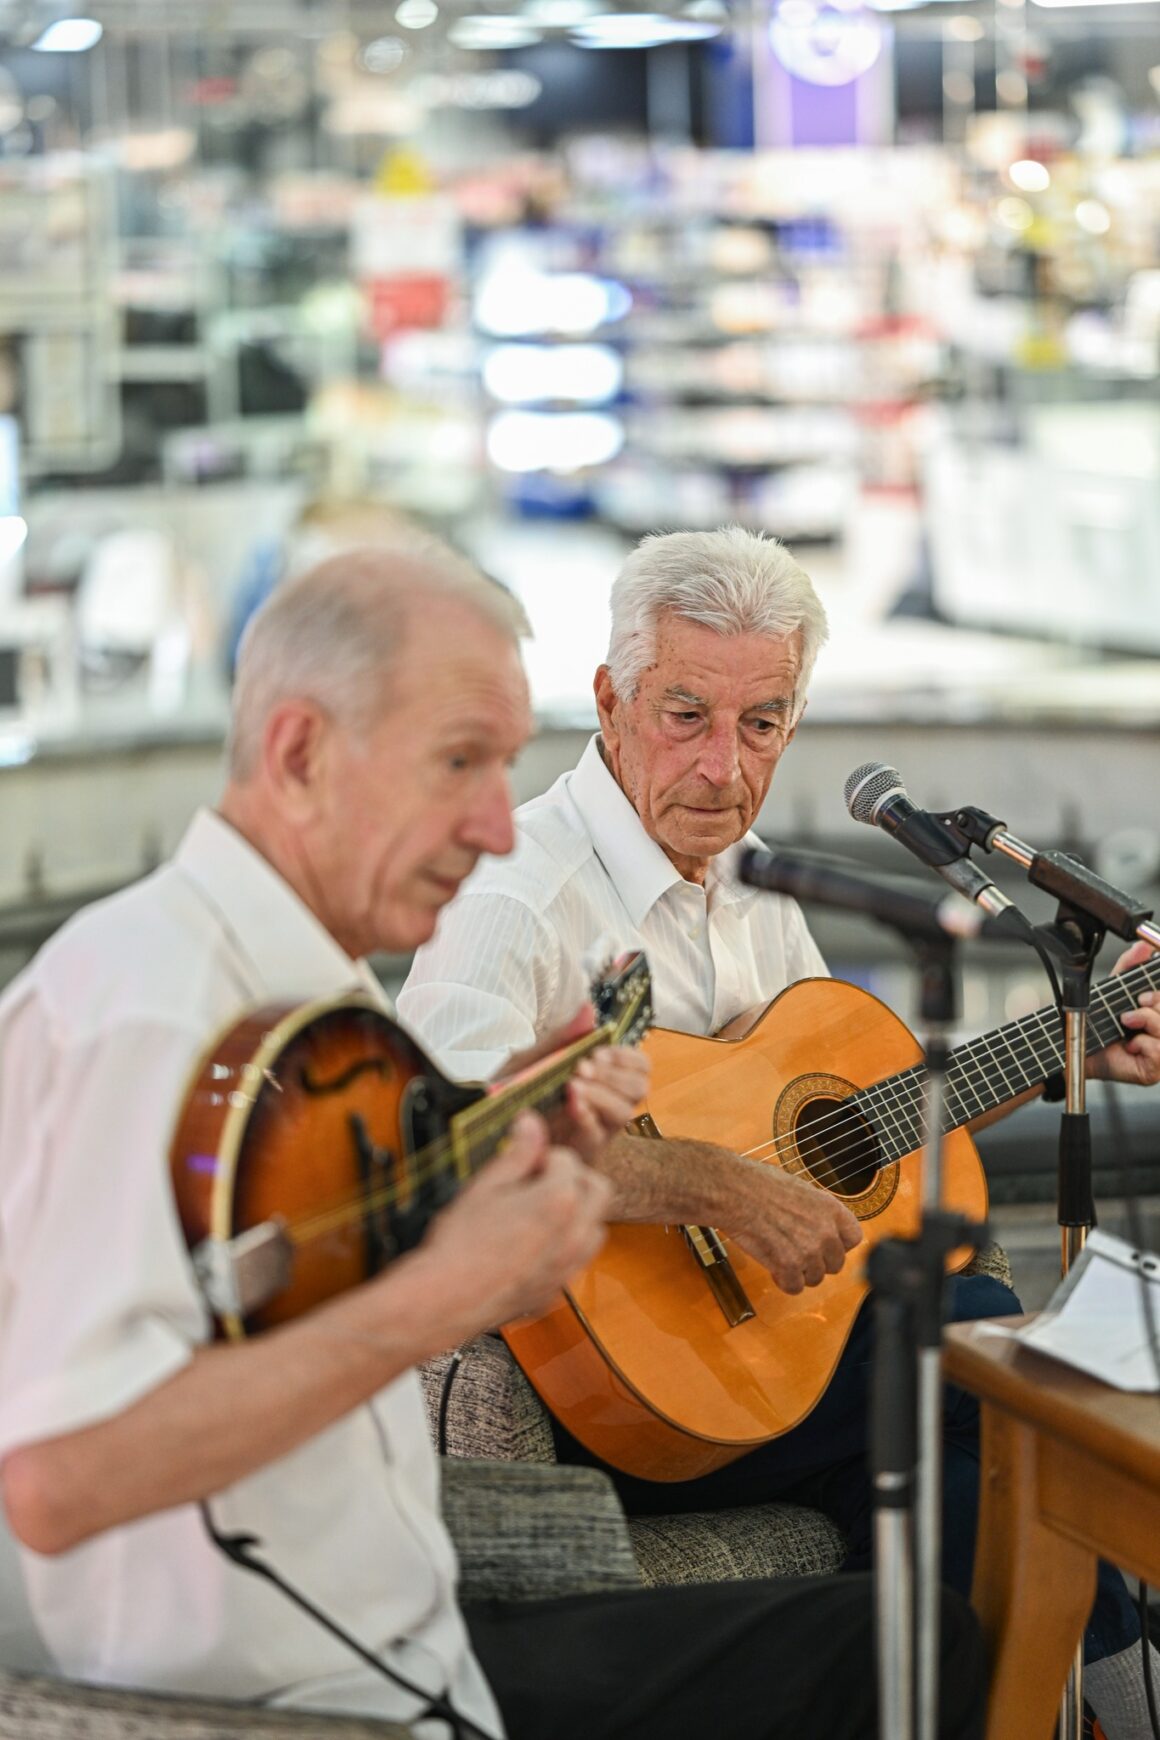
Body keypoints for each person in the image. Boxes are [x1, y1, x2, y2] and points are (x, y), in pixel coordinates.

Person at [0, 541, 985, 1740]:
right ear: (301, 751)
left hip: (408, 1630)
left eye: (501, 764)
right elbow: (55, 1483)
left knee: (911, 1628)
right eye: (456, 764)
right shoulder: (156, 1009)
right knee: (900, 1643)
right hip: (304, 1688)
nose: (491, 823)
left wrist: (526, 1147)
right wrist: (445, 1291)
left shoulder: (309, 993)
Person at [399, 525, 1160, 1740]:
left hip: (769, 1374)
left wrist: (1070, 1033)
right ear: (608, 698)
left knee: (977, 1467)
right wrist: (711, 1188)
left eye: (760, 726)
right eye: (685, 714)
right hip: (613, 1401)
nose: (720, 765)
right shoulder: (515, 899)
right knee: (977, 1346)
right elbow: (433, 1144)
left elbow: (852, 1126)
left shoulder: (757, 891)